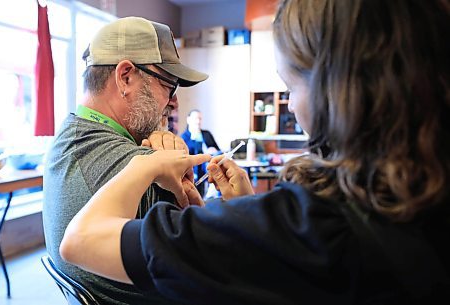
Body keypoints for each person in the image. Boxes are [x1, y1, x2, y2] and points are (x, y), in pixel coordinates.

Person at [59, 1, 450, 304]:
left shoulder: (311, 228)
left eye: (291, 87)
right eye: (169, 86)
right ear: (125, 76)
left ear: (336, 91)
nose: (292, 107)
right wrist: (247, 214)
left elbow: (84, 238)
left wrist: (242, 220)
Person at [42, 17, 208, 305]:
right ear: (126, 77)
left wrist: (160, 137)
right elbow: (204, 256)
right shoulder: (140, 168)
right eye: (169, 85)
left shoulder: (69, 136)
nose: (175, 102)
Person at [181, 109, 221, 197]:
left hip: (210, 167)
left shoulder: (207, 134)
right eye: (195, 118)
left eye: (200, 119)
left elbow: (218, 150)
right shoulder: (184, 137)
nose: (198, 121)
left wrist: (213, 150)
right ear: (188, 120)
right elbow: (185, 155)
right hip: (195, 171)